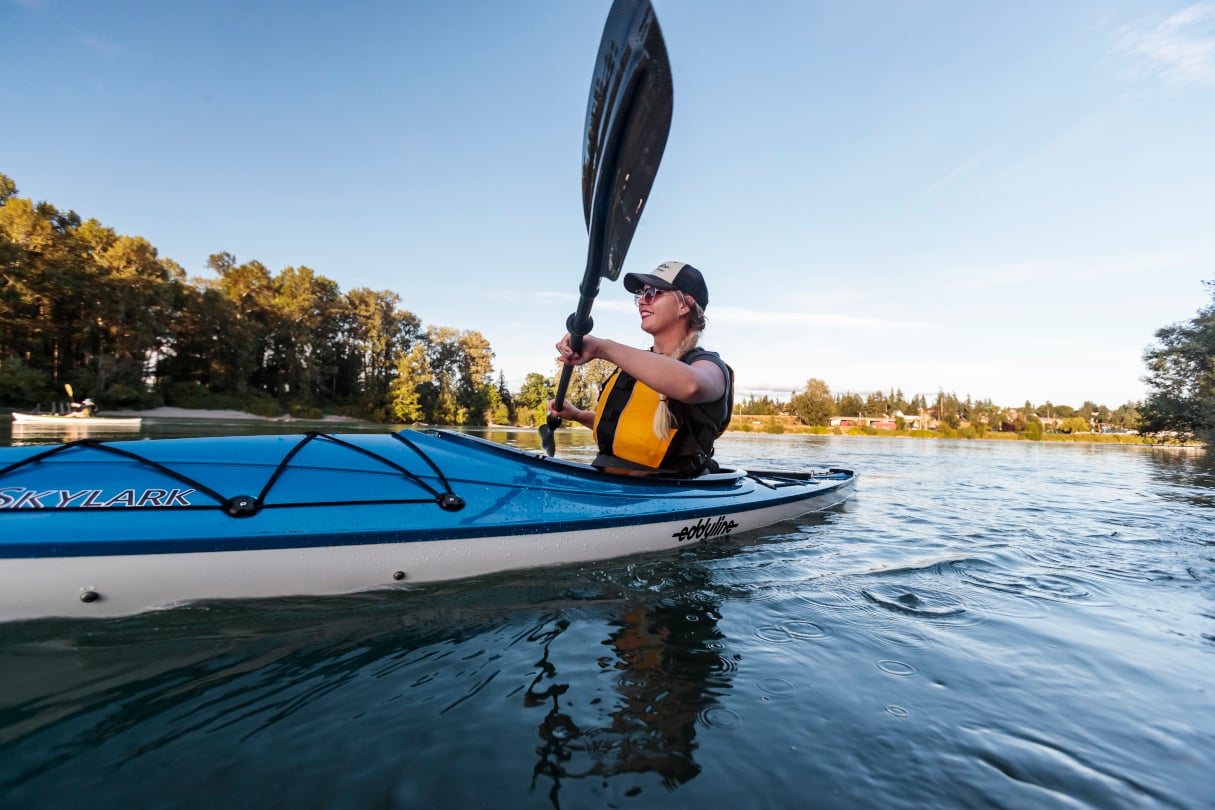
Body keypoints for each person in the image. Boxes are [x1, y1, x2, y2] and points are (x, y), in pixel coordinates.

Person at [549, 261, 733, 476]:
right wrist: (578, 415)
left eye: (654, 292)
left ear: (685, 305)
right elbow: (630, 427)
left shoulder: (708, 366)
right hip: (607, 481)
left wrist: (602, 348)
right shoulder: (636, 366)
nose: (642, 301)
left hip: (669, 492)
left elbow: (691, 386)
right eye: (642, 294)